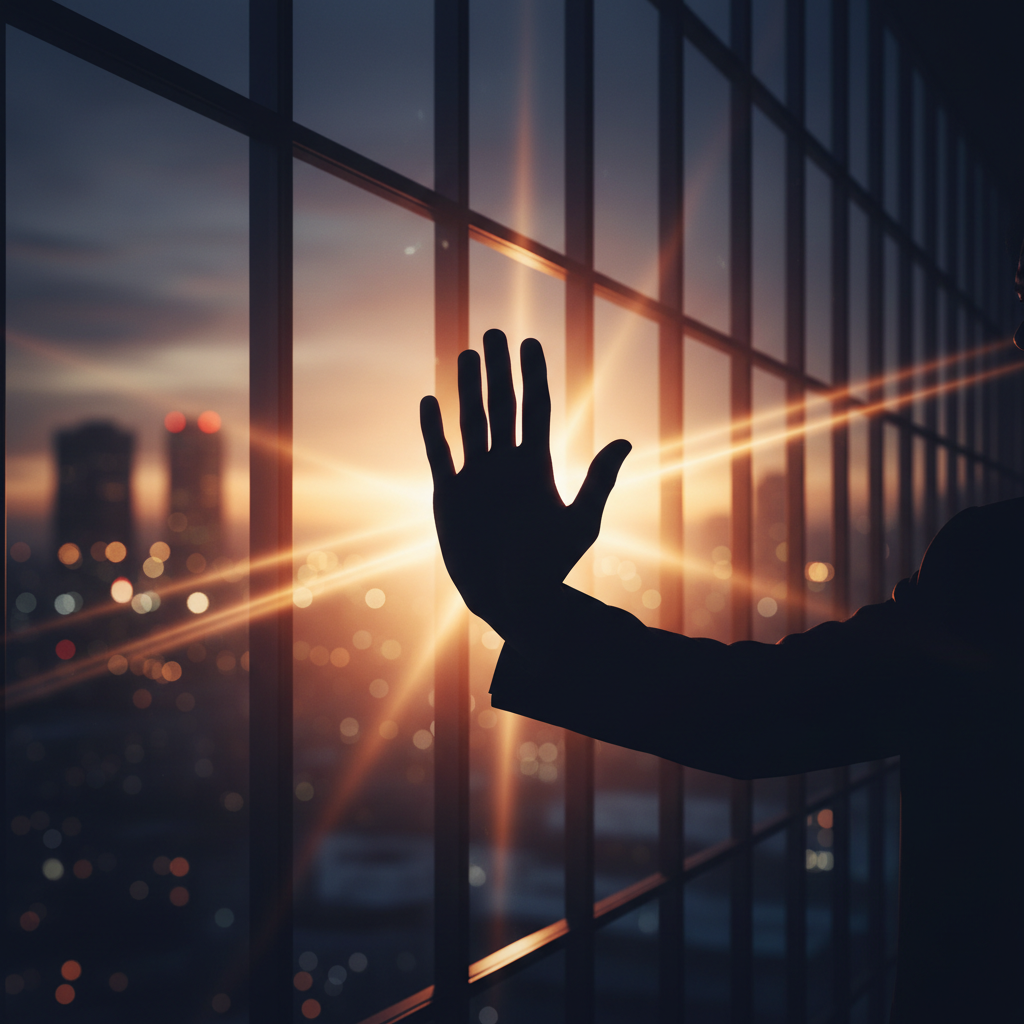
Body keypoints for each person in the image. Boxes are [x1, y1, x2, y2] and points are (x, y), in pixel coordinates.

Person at [419, 313, 1022, 1021]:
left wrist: (530, 609)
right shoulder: (992, 566)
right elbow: (766, 710)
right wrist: (532, 611)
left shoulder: (996, 569)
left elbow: (763, 712)